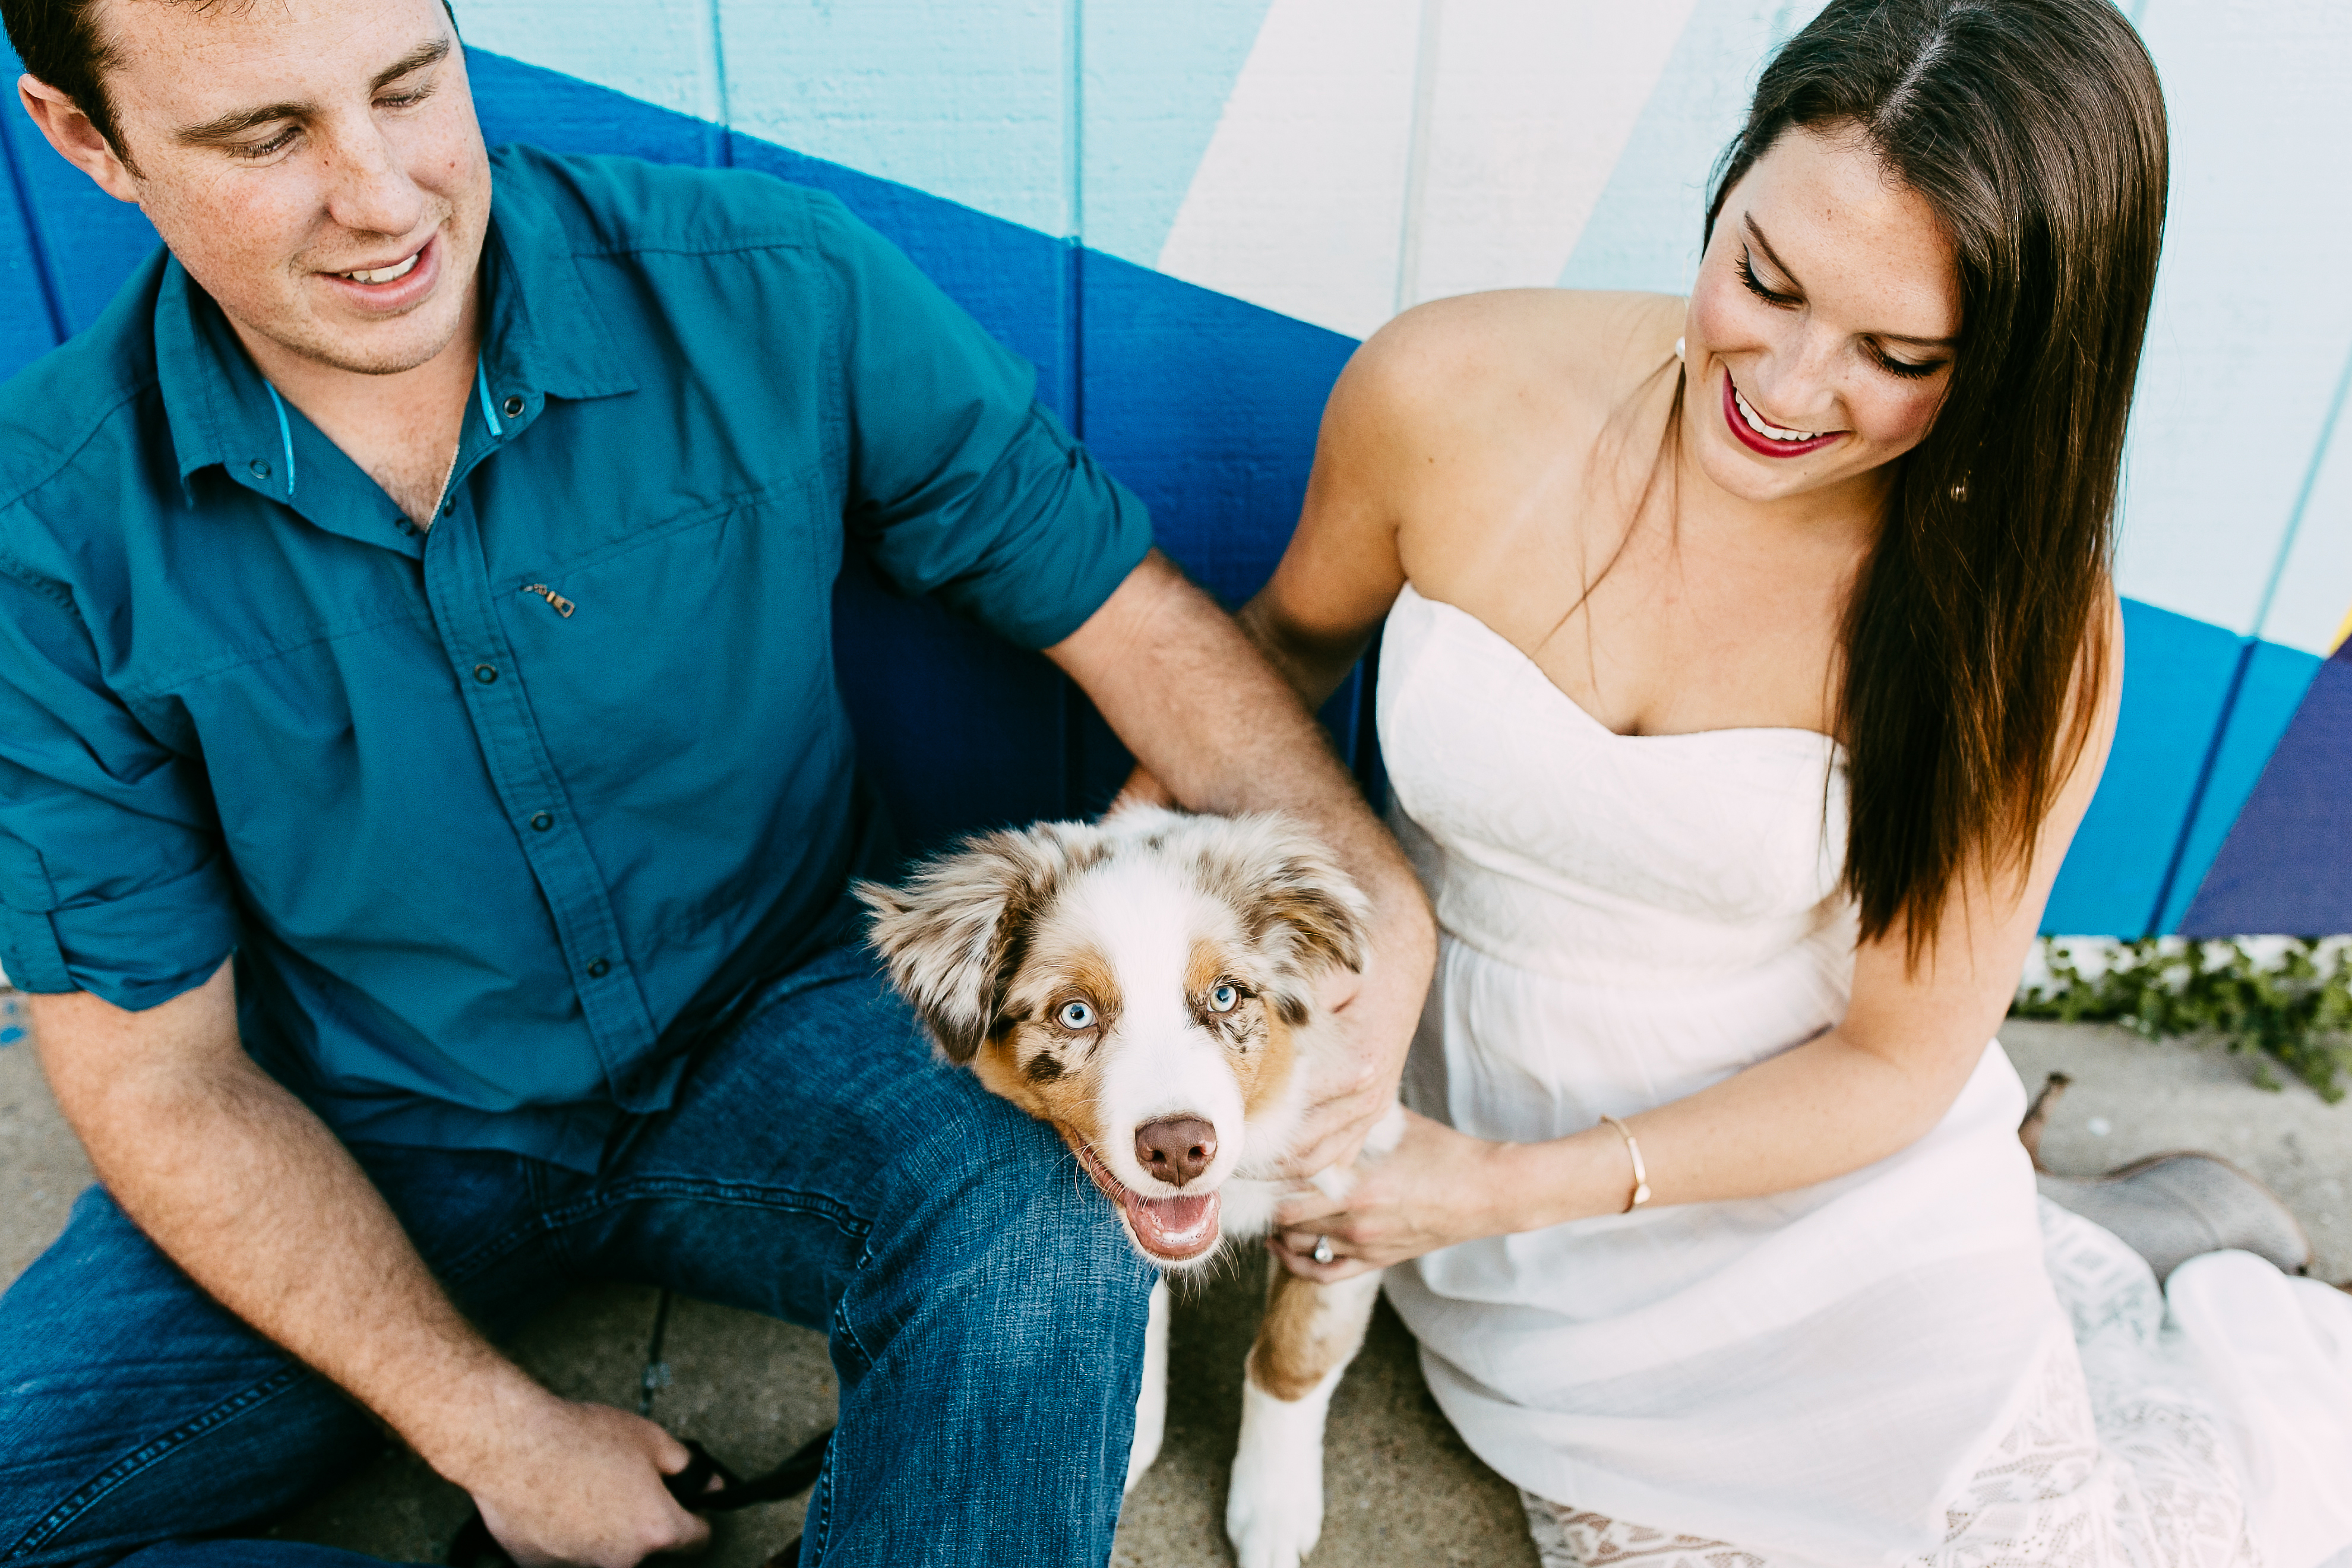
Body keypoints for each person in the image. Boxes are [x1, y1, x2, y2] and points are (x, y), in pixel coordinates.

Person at [0, 2, 1434, 1566]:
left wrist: (1370, 894)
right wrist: (503, 1438)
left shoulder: (771, 288)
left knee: (1044, 1222)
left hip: (788, 1017)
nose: (385, 194)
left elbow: (1126, 611)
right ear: (86, 138)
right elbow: (158, 1077)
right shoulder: (47, 533)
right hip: (364, 1115)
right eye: (267, 137)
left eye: (411, 88)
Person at [1212, 1, 2352, 1563]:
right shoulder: (1446, 386)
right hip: (1497, 1197)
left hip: (1823, 1191)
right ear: (1733, 175)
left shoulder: (2020, 620)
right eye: (1764, 277)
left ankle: (2120, 1250)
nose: (1792, 384)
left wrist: (1503, 1189)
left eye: (1899, 356)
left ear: (2014, 369)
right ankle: (2107, 1236)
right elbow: (1271, 664)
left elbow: (1892, 1064)